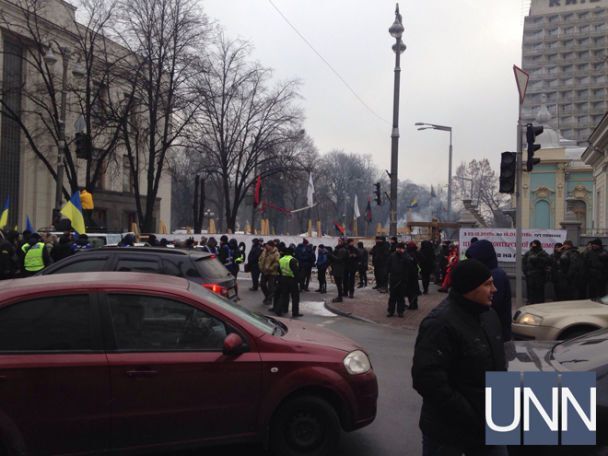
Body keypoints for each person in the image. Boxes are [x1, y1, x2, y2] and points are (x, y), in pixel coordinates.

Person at [412, 259, 507, 456]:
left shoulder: (489, 316)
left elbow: (498, 365)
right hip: (449, 433)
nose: (495, 289)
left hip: (490, 427)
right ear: (469, 288)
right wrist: (470, 414)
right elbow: (428, 380)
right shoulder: (440, 324)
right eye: (487, 284)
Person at [466, 239, 513, 341]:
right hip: (490, 331)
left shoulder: (496, 275)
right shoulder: (485, 272)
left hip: (496, 332)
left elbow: (491, 304)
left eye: (473, 258)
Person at [387, 242, 411, 317]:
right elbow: (388, 266)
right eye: (398, 248)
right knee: (392, 296)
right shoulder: (392, 256)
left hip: (402, 280)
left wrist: (404, 254)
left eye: (401, 248)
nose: (399, 250)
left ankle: (400, 311)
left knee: (401, 297)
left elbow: (409, 265)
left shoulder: (406, 256)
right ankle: (391, 311)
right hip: (393, 279)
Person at [522, 239, 550, 304]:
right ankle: (530, 301)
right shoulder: (528, 253)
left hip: (539, 276)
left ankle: (539, 303)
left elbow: (548, 260)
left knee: (539, 291)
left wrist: (538, 259)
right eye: (532, 245)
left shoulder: (542, 253)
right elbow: (524, 263)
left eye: (535, 244)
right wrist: (526, 272)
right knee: (530, 290)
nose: (533, 246)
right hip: (530, 276)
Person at [277, 246, 302, 317]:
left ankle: (280, 310)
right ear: (292, 253)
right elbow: (296, 272)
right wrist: (299, 281)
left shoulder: (281, 259)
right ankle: (295, 312)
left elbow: (278, 270)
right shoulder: (293, 260)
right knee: (295, 297)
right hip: (292, 280)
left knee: (284, 295)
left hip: (283, 279)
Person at [259, 241, 280, 306]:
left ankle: (269, 299)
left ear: (271, 246)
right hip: (264, 271)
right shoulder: (264, 251)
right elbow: (260, 259)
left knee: (271, 287)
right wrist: (259, 264)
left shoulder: (276, 253)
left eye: (267, 245)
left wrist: (270, 268)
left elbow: (277, 263)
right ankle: (267, 296)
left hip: (272, 273)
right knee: (262, 284)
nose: (266, 246)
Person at [330, 238, 348, 303]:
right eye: (338, 241)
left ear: (343, 242)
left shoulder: (343, 250)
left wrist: (331, 255)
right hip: (337, 267)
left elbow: (339, 259)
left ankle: (340, 297)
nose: (338, 242)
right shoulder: (338, 249)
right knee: (338, 284)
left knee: (339, 283)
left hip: (340, 268)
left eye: (340, 241)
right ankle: (339, 296)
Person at [405, 241, 421, 310]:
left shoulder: (409, 254)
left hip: (409, 274)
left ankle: (412, 305)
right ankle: (415, 304)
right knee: (414, 290)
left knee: (410, 290)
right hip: (414, 273)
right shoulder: (417, 252)